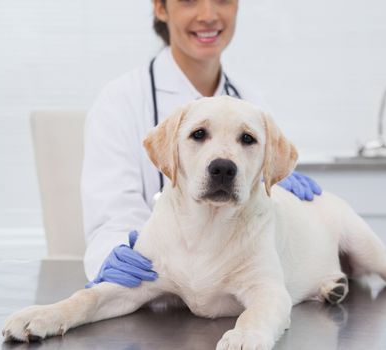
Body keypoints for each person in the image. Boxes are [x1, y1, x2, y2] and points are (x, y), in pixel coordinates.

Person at [82, 0, 322, 288]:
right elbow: (111, 216)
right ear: (161, 8)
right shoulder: (122, 100)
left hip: (229, 291)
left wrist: (275, 184)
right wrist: (119, 255)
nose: (208, 16)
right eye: (189, 1)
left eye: (222, 0)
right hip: (155, 286)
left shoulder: (251, 100)